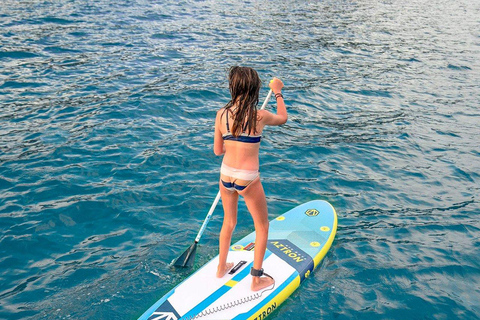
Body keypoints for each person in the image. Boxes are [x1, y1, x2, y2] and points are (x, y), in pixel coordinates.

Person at [213, 66, 287, 291]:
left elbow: (218, 151)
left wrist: (233, 143)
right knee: (262, 226)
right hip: (247, 178)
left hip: (226, 175)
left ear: (233, 87)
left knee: (229, 222)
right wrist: (277, 92)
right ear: (255, 89)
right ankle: (256, 280)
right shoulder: (259, 115)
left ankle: (221, 267)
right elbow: (283, 118)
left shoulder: (221, 114)